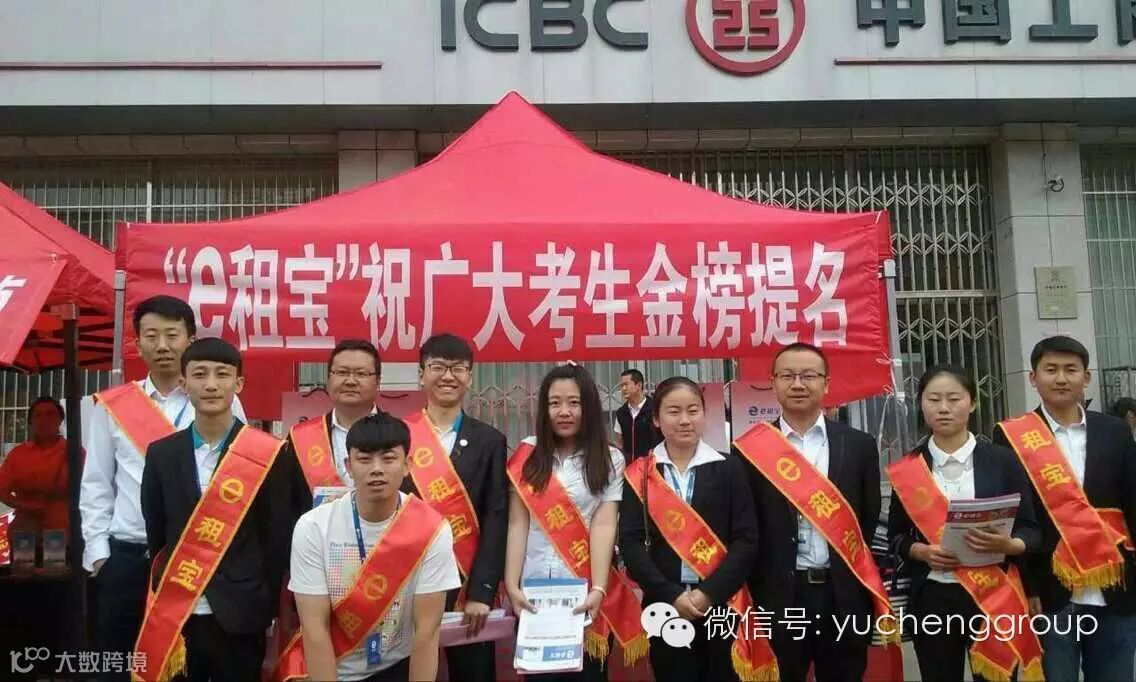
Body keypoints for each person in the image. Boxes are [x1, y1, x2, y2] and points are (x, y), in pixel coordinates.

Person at [80, 295, 246, 678]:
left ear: (190, 339)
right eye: (151, 336)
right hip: (129, 558)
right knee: (123, 665)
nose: (163, 345)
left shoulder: (221, 398)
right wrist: (100, 556)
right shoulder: (113, 406)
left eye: (172, 335)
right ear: (137, 343)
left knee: (194, 665)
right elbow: (96, 485)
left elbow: (236, 477)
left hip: (200, 559)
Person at [734, 342, 890, 682]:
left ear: (826, 383)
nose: (798, 384)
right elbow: (746, 527)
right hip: (778, 597)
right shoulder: (749, 449)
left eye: (808, 376)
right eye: (787, 376)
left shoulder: (859, 445)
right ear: (773, 383)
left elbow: (866, 517)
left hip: (842, 595)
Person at [138, 337, 288, 681]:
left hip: (242, 612)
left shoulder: (268, 453)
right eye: (199, 374)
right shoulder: (162, 454)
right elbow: (157, 531)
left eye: (222, 375)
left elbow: (276, 537)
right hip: (179, 610)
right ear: (183, 382)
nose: (210, 384)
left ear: (239, 384)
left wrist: (260, 599)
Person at [993, 335, 1136, 682]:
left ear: (1086, 377)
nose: (1061, 378)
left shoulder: (1115, 431)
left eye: (1071, 370)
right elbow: (1014, 518)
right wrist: (1027, 586)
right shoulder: (1011, 435)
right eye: (1051, 369)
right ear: (1033, 378)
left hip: (1114, 583)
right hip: (1049, 590)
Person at [888, 366, 1043, 682]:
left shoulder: (1003, 461)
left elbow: (1031, 529)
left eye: (954, 399)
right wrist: (921, 551)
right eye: (934, 399)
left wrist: (1011, 545)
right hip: (933, 597)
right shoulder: (908, 469)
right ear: (921, 404)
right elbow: (895, 536)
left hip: (993, 595)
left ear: (972, 403)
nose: (943, 408)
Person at [286, 413, 461, 682]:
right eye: (364, 459)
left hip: (397, 665)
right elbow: (314, 628)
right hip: (333, 666)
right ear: (348, 465)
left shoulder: (432, 529)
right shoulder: (314, 527)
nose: (376, 469)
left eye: (388, 458)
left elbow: (427, 631)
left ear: (407, 465)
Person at [504, 364, 645, 681]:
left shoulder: (610, 459)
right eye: (554, 403)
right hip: (533, 591)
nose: (564, 412)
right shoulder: (526, 454)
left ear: (589, 407)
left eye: (574, 403)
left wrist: (599, 588)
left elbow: (604, 526)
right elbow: (517, 524)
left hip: (584, 590)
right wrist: (512, 585)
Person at [619, 377, 762, 682]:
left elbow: (746, 539)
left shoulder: (729, 468)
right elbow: (630, 542)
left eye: (693, 410)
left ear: (704, 415)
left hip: (722, 603)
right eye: (674, 411)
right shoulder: (640, 473)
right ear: (656, 419)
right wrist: (671, 595)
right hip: (663, 603)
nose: (685, 420)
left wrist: (709, 594)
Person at [399, 334, 508, 682]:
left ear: (470, 377)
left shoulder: (490, 440)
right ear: (421, 375)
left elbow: (496, 517)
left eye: (458, 368)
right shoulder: (399, 436)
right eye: (438, 367)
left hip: (466, 587)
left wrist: (482, 592)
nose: (448, 376)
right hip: (407, 585)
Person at [281, 339, 383, 502]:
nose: (350, 381)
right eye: (342, 372)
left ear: (378, 381)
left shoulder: (399, 435)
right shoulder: (301, 437)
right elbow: (287, 500)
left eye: (361, 374)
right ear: (328, 380)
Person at [0, 397, 73, 535]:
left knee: (57, 550)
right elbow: (1, 489)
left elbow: (91, 489)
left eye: (50, 414)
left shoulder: (74, 452)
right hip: (26, 531)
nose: (44, 420)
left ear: (60, 420)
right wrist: (24, 505)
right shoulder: (18, 454)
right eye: (38, 415)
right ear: (30, 422)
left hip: (63, 532)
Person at [613, 369, 662, 461]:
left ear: (639, 385)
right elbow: (619, 442)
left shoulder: (655, 410)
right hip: (629, 465)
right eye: (622, 386)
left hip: (651, 464)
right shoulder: (621, 413)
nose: (623, 389)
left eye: (626, 384)